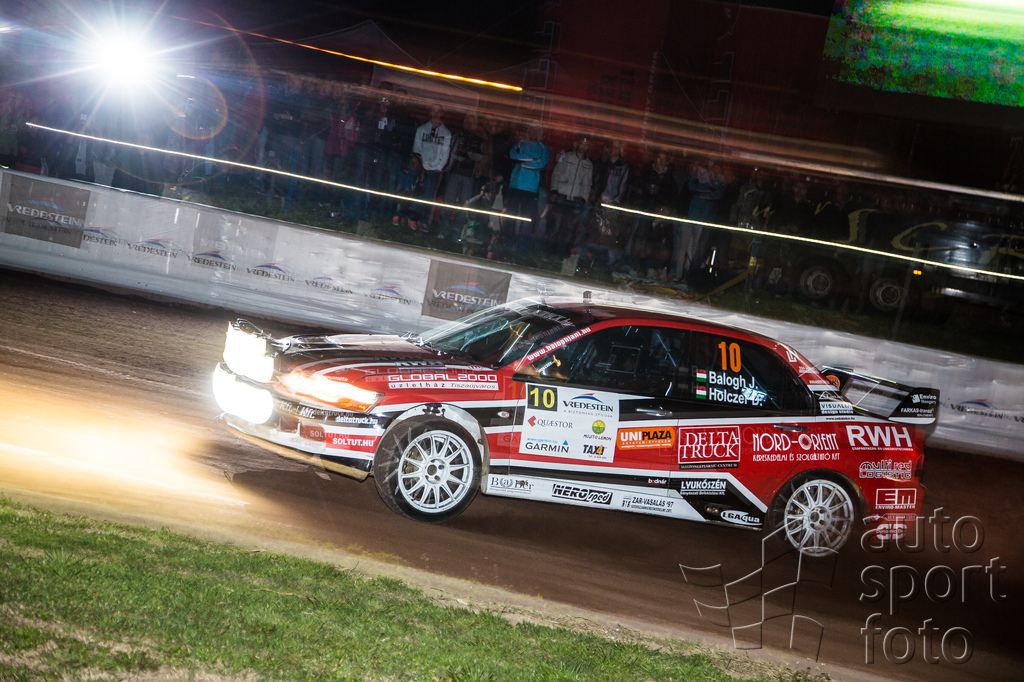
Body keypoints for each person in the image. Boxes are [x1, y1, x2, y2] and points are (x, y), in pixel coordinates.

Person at [505, 122, 549, 253]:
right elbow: (512, 155)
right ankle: (507, 243)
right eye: (531, 130)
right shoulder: (520, 144)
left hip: (531, 189)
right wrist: (531, 160)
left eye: (536, 131)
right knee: (511, 216)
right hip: (515, 185)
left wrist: (523, 163)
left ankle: (522, 248)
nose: (533, 133)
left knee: (527, 219)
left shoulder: (543, 148)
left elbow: (541, 164)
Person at [548, 135, 593, 257]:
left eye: (586, 144)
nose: (583, 146)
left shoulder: (588, 164)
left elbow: (587, 183)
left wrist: (584, 198)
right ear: (577, 144)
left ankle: (562, 253)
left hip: (576, 199)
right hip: (562, 195)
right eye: (582, 143)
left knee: (570, 227)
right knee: (557, 224)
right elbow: (557, 173)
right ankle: (550, 251)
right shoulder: (566, 157)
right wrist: (554, 190)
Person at [412, 104, 452, 217]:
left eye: (438, 112)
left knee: (430, 195)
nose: (435, 114)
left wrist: (436, 167)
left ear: (442, 114)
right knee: (417, 192)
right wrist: (421, 166)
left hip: (435, 170)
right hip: (421, 168)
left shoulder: (446, 133)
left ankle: (424, 219)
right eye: (433, 111)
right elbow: (417, 148)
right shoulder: (422, 129)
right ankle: (412, 216)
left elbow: (445, 154)